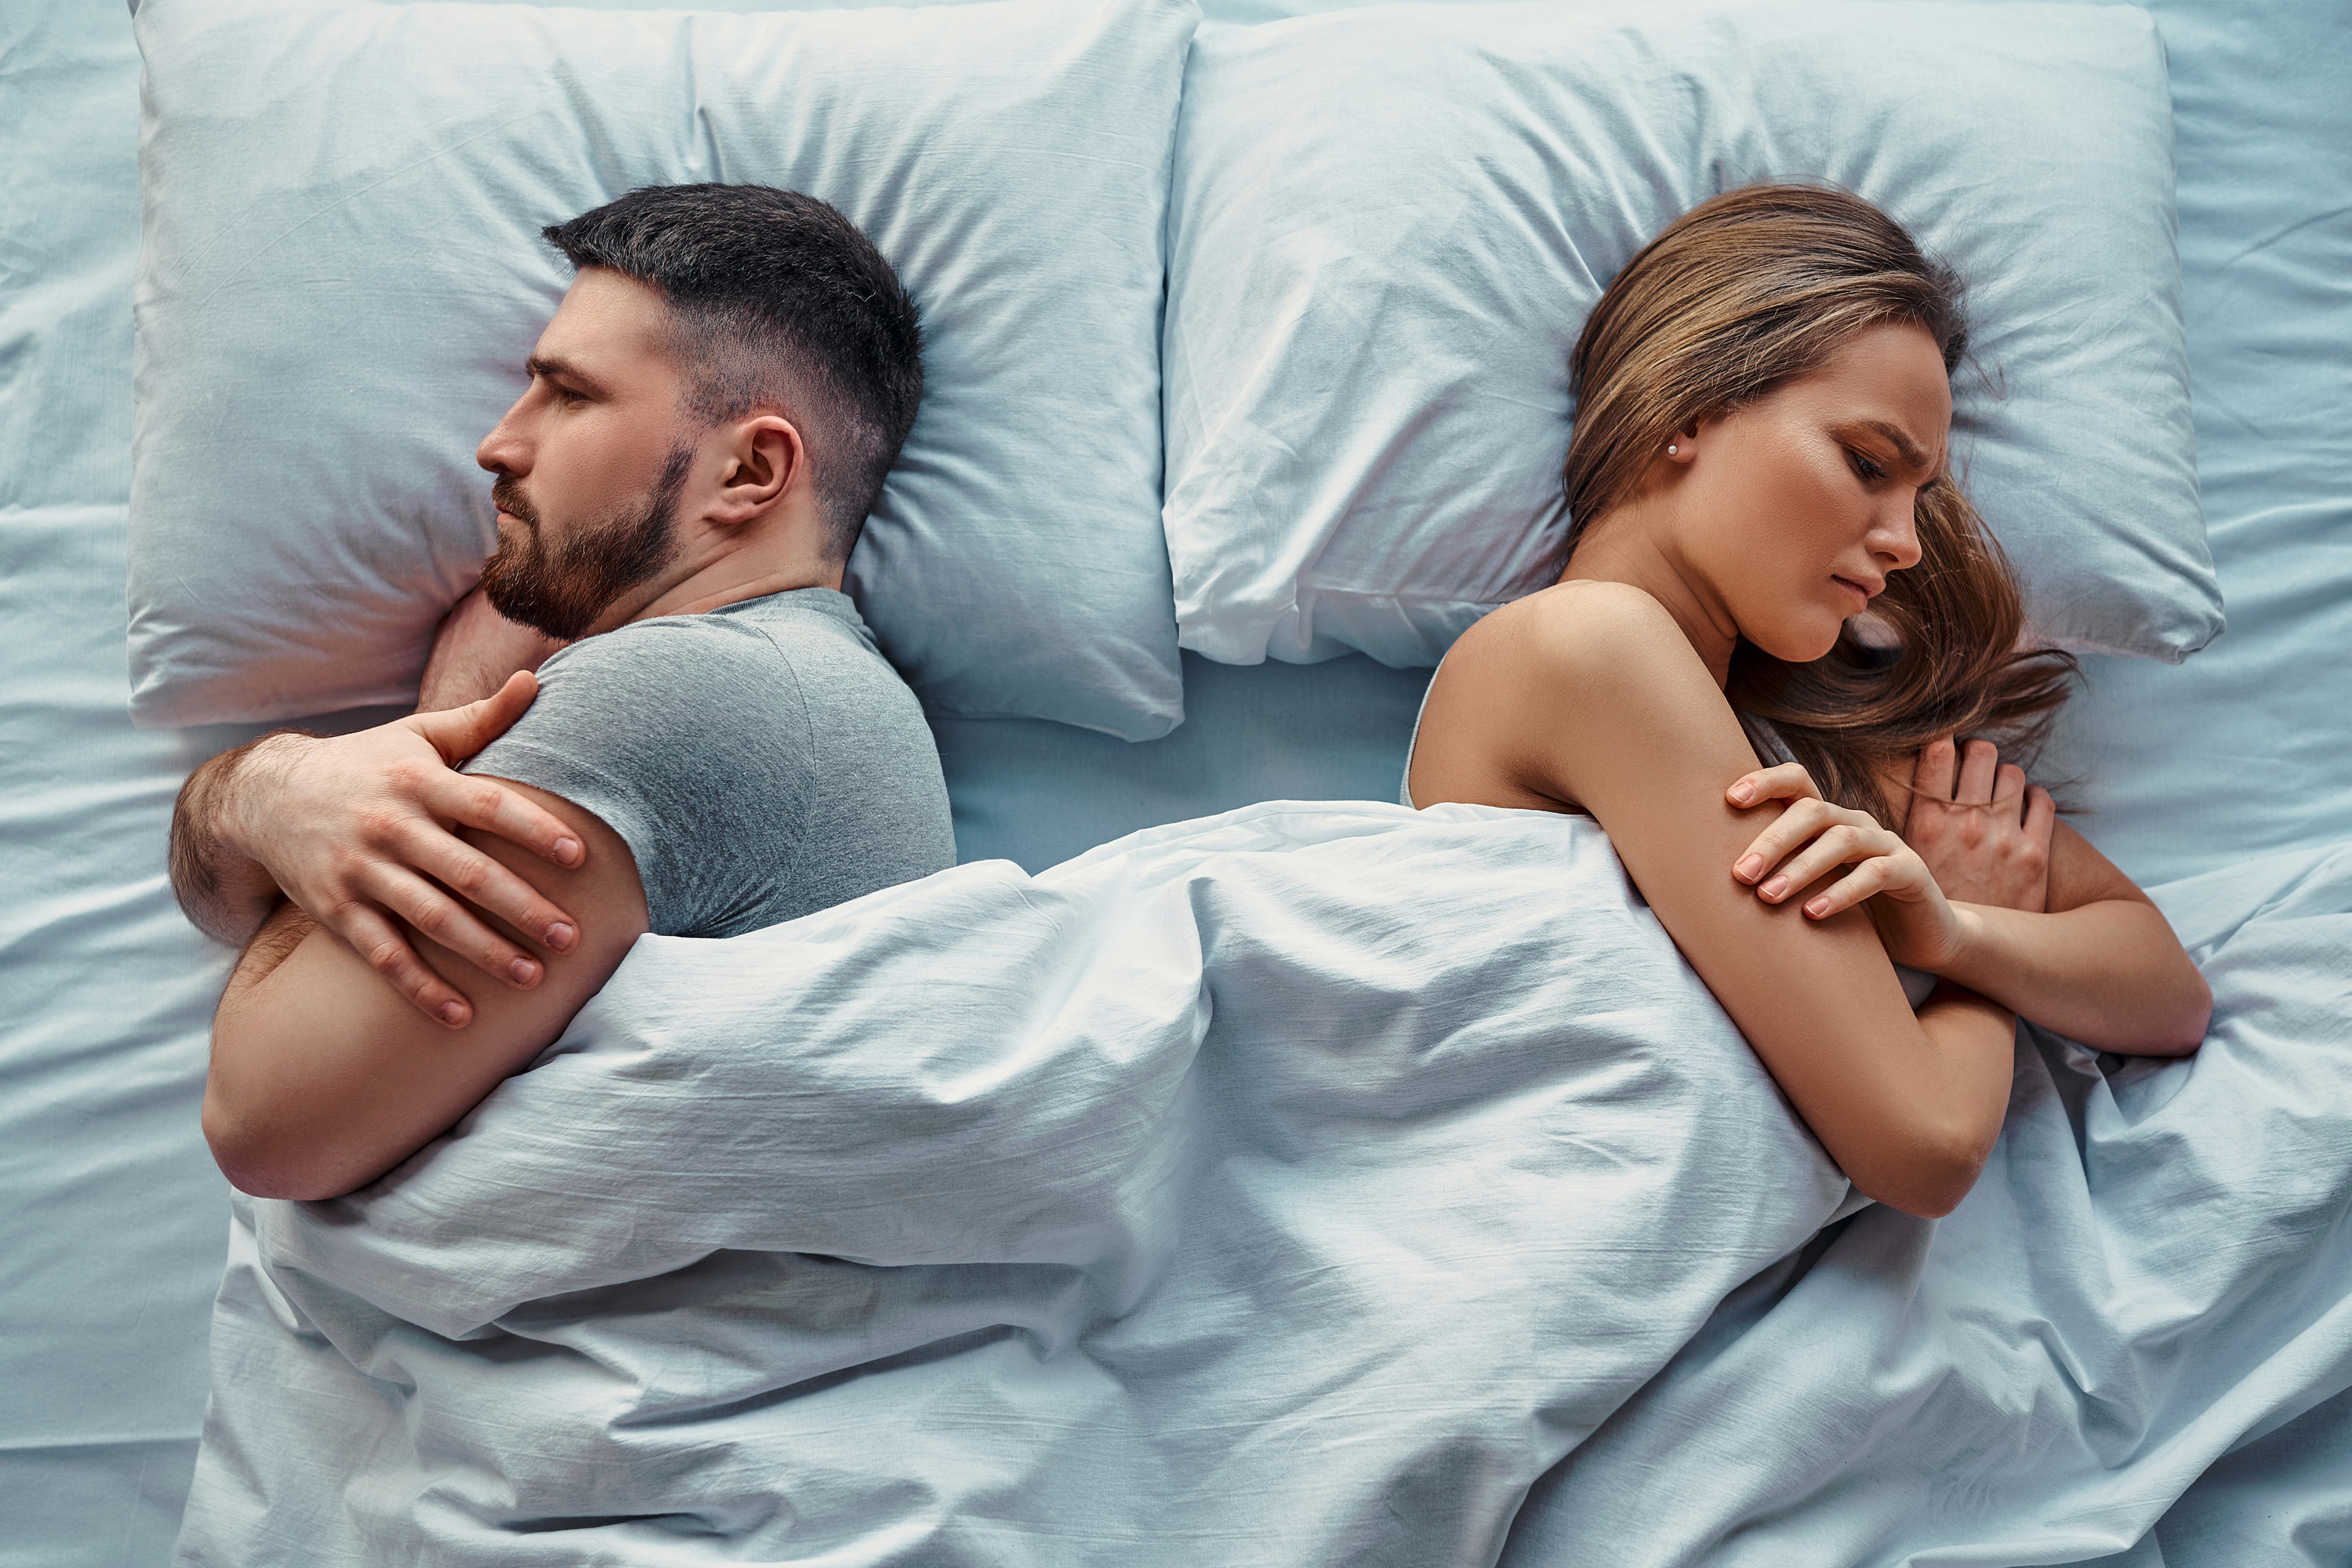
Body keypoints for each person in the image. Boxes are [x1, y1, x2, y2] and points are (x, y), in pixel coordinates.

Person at [1403, 184, 2211, 1220]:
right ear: (1687, 408)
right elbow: (1927, 1147)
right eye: (1867, 463)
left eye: (1919, 497)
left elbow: (2170, 995)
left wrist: (1956, 932)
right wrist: (1986, 952)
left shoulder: (1803, 737)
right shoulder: (1579, 645)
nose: (1906, 544)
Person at [170, 184, 956, 1203]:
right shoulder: (814, 691)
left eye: (568, 394)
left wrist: (422, 726)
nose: (500, 444)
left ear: (752, 469)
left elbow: (262, 1124)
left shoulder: (693, 695)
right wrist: (260, 795)